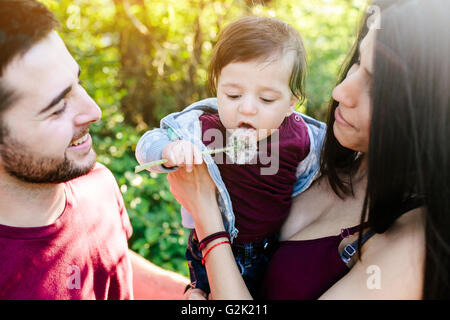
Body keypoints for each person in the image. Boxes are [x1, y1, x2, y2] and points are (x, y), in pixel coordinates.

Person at [168, 0, 450, 300]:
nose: (339, 91)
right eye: (357, 62)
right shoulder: (314, 156)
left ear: (428, 113)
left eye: (375, 85)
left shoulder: (410, 248)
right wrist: (197, 292)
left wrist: (206, 214)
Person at [0, 0, 188, 299]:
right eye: (58, 107)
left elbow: (106, 264)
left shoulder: (96, 182)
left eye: (78, 82)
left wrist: (189, 295)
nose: (94, 110)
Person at [135, 16, 326, 297]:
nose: (247, 109)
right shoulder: (203, 127)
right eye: (233, 95)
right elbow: (147, 144)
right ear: (217, 88)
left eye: (267, 100)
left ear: (290, 103)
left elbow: (332, 161)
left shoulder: (301, 137)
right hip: (209, 249)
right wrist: (167, 150)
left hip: (271, 248)